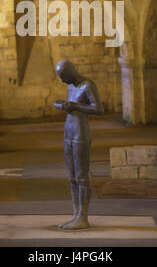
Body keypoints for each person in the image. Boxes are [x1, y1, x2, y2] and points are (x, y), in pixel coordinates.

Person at [54, 59, 104, 230]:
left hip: (81, 132)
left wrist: (75, 106)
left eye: (63, 77)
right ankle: (76, 215)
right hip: (68, 130)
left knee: (82, 176)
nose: (62, 81)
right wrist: (65, 106)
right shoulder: (70, 86)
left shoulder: (88, 85)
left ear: (71, 72)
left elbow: (99, 109)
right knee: (72, 176)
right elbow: (73, 105)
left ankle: (83, 217)